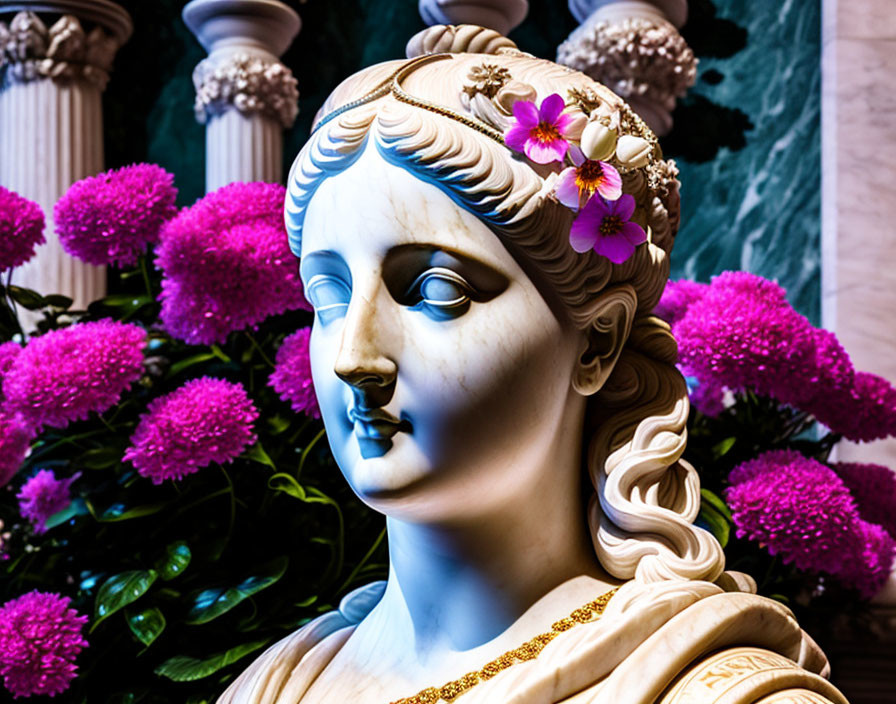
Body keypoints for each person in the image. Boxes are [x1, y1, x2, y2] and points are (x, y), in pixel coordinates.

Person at [220, 25, 847, 704]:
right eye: (328, 296)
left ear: (597, 342)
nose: (353, 357)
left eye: (437, 291)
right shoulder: (276, 686)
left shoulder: (708, 689)